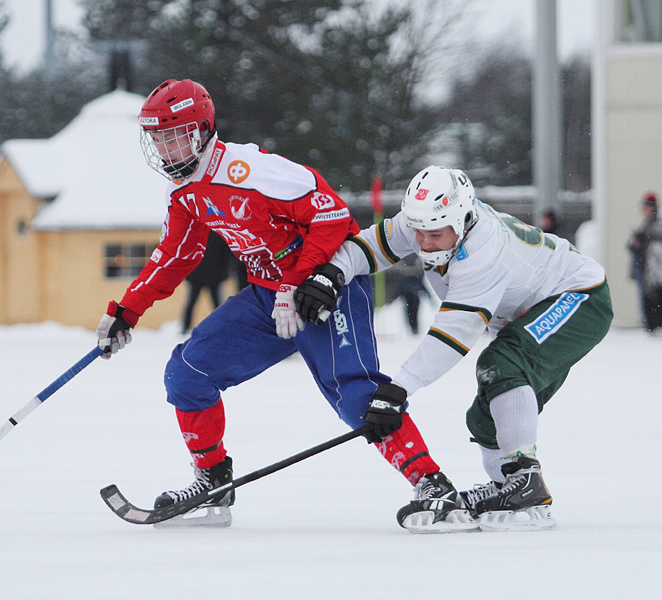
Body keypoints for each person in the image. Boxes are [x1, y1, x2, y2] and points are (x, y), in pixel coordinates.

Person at [95, 80, 476, 531]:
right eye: (156, 138)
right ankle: (213, 484)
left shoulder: (251, 169)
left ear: (200, 131)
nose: (162, 148)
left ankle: (434, 487)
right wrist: (128, 309)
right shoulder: (184, 192)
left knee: (356, 396)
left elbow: (333, 215)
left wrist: (303, 280)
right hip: (265, 295)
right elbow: (177, 254)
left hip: (323, 289)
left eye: (172, 136)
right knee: (187, 372)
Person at [295, 165, 612, 531]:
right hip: (535, 308)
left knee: (502, 363)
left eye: (435, 234)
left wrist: (399, 389)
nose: (424, 243)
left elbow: (454, 334)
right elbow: (368, 247)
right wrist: (331, 274)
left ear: (462, 221)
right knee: (485, 414)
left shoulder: (484, 252)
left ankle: (525, 480)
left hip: (581, 296)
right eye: (418, 232)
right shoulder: (424, 222)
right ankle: (506, 487)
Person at [180, 230, 231, 333]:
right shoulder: (217, 233)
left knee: (215, 304)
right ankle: (222, 326)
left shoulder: (196, 233)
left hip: (204, 275)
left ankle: (185, 327)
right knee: (216, 305)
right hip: (208, 275)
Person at [628, 192, 660, 331]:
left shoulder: (654, 225)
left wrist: (638, 243)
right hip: (645, 270)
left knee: (651, 298)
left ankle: (653, 325)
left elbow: (649, 247)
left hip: (650, 271)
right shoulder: (649, 224)